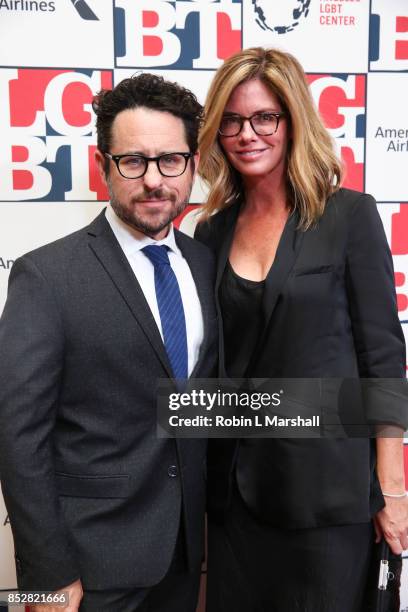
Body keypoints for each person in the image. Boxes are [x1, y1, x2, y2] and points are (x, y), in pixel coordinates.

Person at [195, 47, 408, 612]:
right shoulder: (209, 230)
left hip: (328, 497)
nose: (247, 134)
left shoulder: (348, 216)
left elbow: (383, 360)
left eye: (265, 117)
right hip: (236, 501)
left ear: (293, 121)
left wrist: (391, 489)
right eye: (233, 121)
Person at [0, 73, 217, 612]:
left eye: (171, 161)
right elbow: (17, 435)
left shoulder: (203, 263)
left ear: (192, 166)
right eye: (133, 161)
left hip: (185, 556)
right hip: (83, 568)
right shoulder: (46, 275)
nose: (154, 181)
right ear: (104, 167)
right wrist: (45, 576)